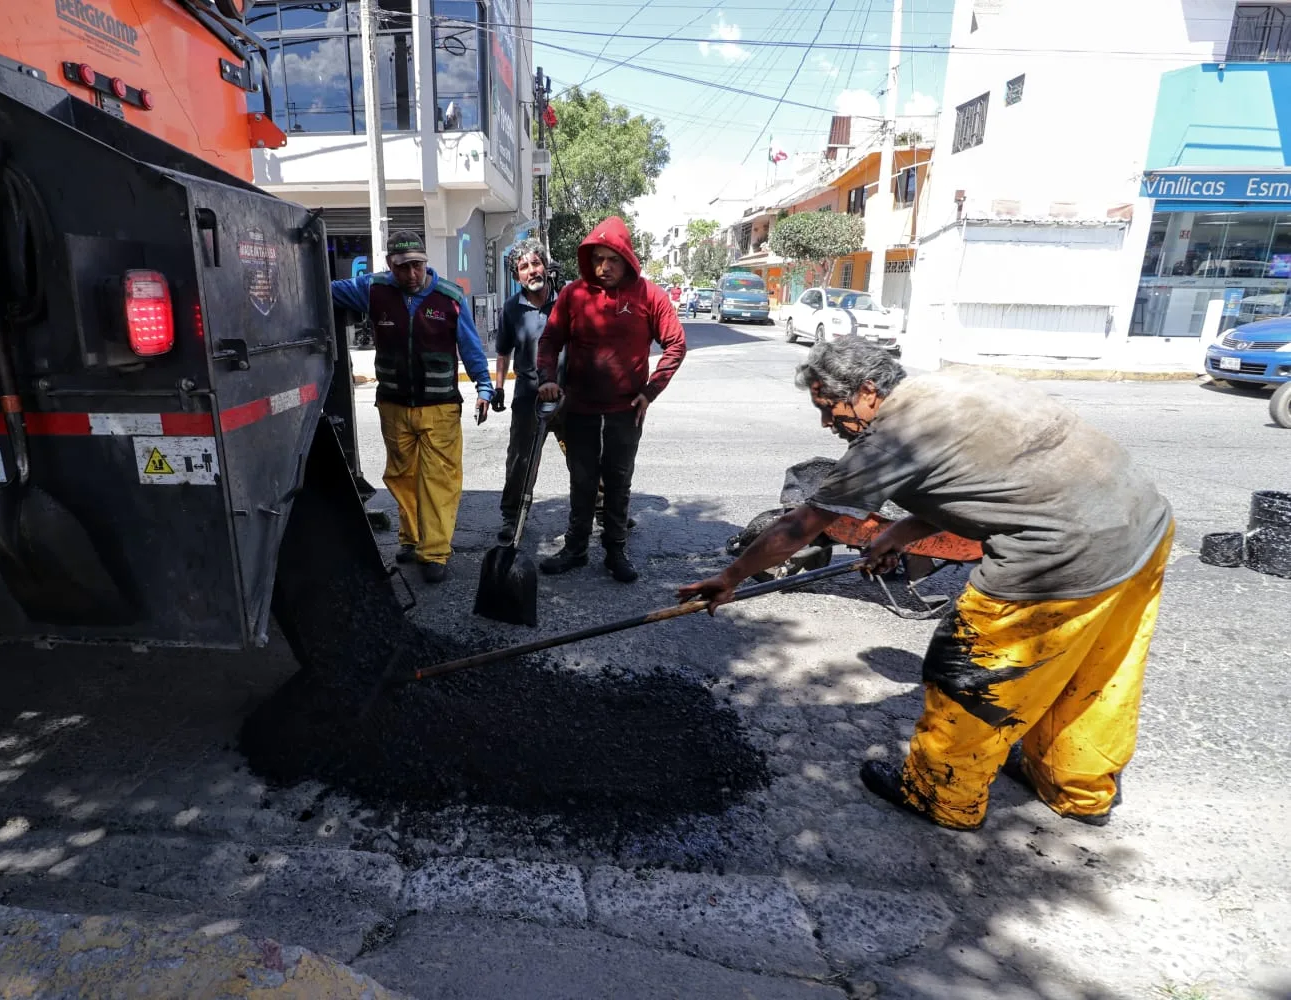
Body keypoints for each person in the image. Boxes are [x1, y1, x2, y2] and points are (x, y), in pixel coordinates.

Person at [678, 338, 1174, 830]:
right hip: (1141, 528)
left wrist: (729, 579)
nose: (827, 424)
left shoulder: (889, 440)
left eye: (829, 408)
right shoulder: (952, 385)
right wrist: (898, 533)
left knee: (972, 671)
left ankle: (943, 794)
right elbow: (980, 480)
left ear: (868, 391)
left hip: (1062, 553)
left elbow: (798, 527)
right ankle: (1074, 785)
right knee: (1096, 670)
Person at [331, 231, 494, 584]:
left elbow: (469, 345)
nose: (412, 275)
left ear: (426, 263)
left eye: (417, 266)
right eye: (403, 268)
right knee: (402, 476)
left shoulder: (449, 297)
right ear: (391, 265)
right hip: (393, 404)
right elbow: (324, 287)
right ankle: (412, 536)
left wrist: (484, 385)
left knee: (438, 479)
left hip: (440, 406)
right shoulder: (373, 290)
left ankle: (434, 552)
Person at [535, 217, 687, 583]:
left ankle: (616, 550)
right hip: (581, 408)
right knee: (581, 480)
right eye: (598, 259)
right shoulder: (574, 294)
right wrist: (548, 380)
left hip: (625, 410)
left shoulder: (650, 295)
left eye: (612, 259)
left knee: (618, 482)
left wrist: (650, 392)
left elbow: (676, 345)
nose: (604, 267)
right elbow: (549, 340)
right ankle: (575, 548)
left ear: (627, 259)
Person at [492, 238, 557, 543]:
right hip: (529, 396)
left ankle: (604, 511)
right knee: (521, 459)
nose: (531, 271)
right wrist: (499, 387)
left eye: (535, 263)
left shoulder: (567, 302)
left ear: (546, 266)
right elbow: (503, 351)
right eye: (523, 267)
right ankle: (512, 516)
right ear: (517, 275)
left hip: (567, 394)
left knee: (587, 457)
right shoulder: (511, 309)